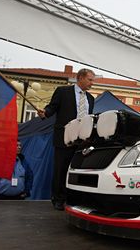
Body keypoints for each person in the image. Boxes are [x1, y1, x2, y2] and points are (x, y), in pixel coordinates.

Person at [37, 68, 95, 210]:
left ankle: (72, 198)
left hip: (82, 141)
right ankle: (58, 198)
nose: (92, 83)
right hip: (64, 138)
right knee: (60, 169)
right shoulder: (63, 92)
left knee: (76, 171)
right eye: (90, 79)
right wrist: (45, 113)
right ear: (80, 78)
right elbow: (52, 107)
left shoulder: (91, 99)